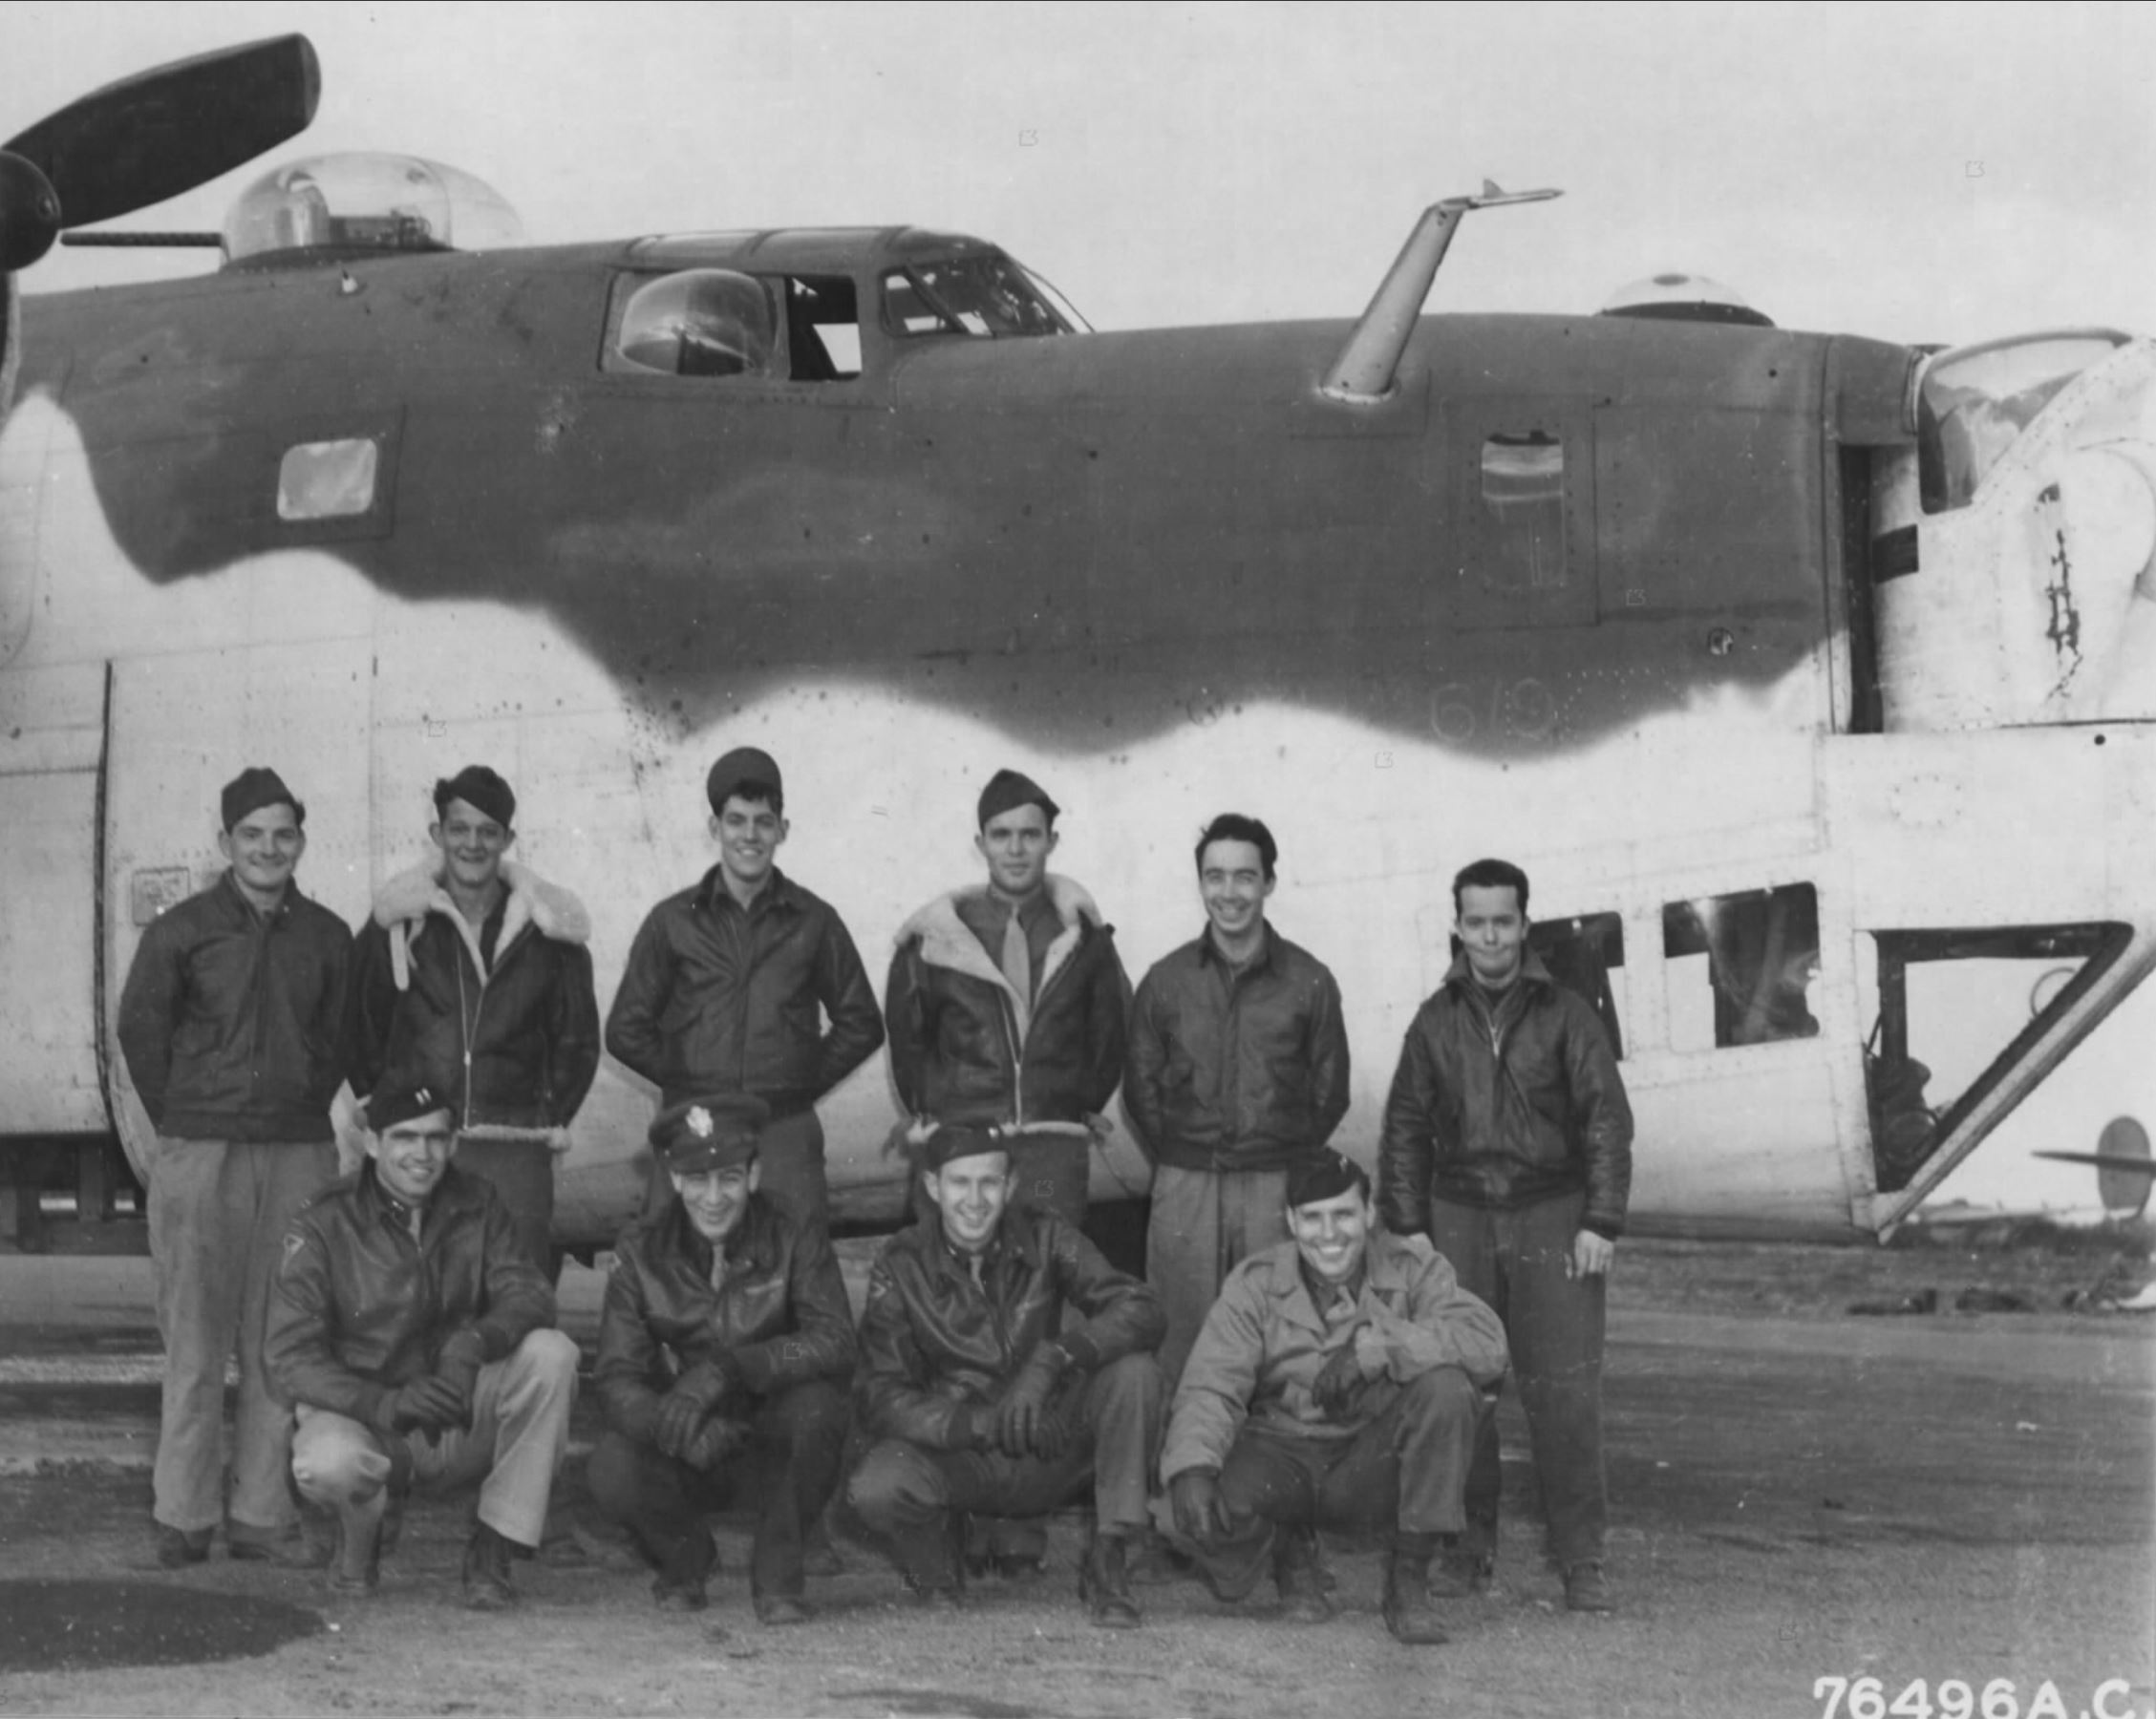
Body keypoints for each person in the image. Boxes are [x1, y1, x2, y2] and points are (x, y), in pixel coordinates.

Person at [1377, 857, 1633, 1614]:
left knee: (1563, 1396)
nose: (1489, 936)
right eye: (1475, 921)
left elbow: (1605, 1122)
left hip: (1551, 1214)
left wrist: (1600, 1219)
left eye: (1503, 921)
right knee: (1463, 1390)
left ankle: (1579, 1558)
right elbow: (1404, 1128)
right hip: (1457, 1218)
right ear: (1456, 926)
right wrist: (1410, 1229)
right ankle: (1466, 1547)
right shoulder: (1434, 1020)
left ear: (1525, 924)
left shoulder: (1566, 1014)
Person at [116, 766, 352, 1570]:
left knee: (274, 1342)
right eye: (252, 835)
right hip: (201, 1153)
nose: (268, 849)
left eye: (283, 835)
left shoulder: (325, 936)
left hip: (294, 1153)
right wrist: (187, 1120)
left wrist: (292, 1111)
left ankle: (259, 1516)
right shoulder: (181, 931)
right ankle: (180, 1517)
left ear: (301, 844)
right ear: (225, 843)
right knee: (193, 1340)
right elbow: (140, 1032)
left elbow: (341, 1040)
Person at [1159, 1151, 1507, 1645]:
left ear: (1368, 1215)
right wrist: (1193, 1465)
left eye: (1344, 1215)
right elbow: (1212, 1383)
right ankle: (1288, 1546)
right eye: (1313, 1218)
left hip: (1367, 1461)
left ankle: (1409, 1581)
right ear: (1291, 1222)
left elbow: (1488, 1344)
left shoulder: (1414, 1269)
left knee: (1446, 1390)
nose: (1329, 1234)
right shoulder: (1255, 1283)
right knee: (1179, 1513)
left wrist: (1382, 1347)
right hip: (1284, 1454)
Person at [265, 1077, 579, 1608]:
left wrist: (472, 1344)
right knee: (326, 1463)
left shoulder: (478, 1202)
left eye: (437, 1138)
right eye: (405, 1137)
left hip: (453, 1411)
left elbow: (529, 1294)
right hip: (368, 1417)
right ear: (372, 1144)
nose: (423, 1153)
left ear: (454, 1143)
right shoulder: (325, 1219)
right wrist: (382, 1403)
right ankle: (359, 1544)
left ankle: (493, 1546)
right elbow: (289, 1355)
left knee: (554, 1355)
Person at [845, 1124, 1167, 1628]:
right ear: (932, 1187)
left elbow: (1141, 1307)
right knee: (879, 1485)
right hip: (966, 1455)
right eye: (959, 1184)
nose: (975, 1200)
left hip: (1050, 1444)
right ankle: (937, 1568)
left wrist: (1056, 1357)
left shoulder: (1049, 1234)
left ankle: (1110, 1558)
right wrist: (984, 1422)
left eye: (989, 1183)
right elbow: (880, 1394)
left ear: (1011, 1185)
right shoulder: (901, 1263)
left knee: (1135, 1373)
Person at [588, 1094, 857, 1624]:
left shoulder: (792, 1230)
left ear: (754, 1175)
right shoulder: (640, 1253)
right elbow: (617, 1377)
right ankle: (686, 1561)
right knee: (611, 1468)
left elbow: (834, 1339)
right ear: (674, 1178)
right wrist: (674, 1429)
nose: (715, 1197)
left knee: (821, 1410)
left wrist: (734, 1368)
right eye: (697, 1178)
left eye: (730, 1178)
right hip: (689, 1444)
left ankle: (779, 1575)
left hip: (771, 1442)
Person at [606, 747, 885, 1234]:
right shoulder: (672, 922)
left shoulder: (814, 921)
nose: (749, 835)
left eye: (763, 821)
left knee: (798, 1267)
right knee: (674, 1271)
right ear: (715, 829)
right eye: (736, 821)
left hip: (783, 1134)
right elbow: (625, 1030)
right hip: (696, 1128)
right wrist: (691, 1082)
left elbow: (862, 1022)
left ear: (782, 829)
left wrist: (798, 1081)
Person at [1125, 813, 1351, 1383]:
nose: (1230, 893)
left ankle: (1272, 1464)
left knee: (1279, 1343)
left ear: (1269, 883)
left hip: (1275, 1185)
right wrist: (1186, 1153)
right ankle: (1181, 1467)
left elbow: (1331, 1092)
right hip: (1186, 1185)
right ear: (1200, 884)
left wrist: (1278, 1152)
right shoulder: (1165, 980)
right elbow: (1141, 1090)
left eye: (1245, 877)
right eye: (1216, 877)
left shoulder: (1310, 980)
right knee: (1181, 1343)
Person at [347, 764, 600, 1270]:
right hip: (423, 1147)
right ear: (438, 834)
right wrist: (393, 1112)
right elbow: (359, 1025)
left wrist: (542, 1116)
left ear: (508, 838)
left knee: (517, 1294)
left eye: (488, 832)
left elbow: (578, 1042)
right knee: (414, 1300)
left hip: (514, 1152)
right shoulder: (397, 927)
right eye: (459, 829)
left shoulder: (549, 935)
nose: (472, 844)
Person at [885, 767, 1128, 1228]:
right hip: (964, 1152)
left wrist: (1066, 1104)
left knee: (1046, 1263)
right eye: (1001, 835)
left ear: (1051, 841)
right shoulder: (935, 941)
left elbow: (1108, 1037)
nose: (1015, 850)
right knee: (958, 1280)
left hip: (1047, 1159)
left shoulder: (1085, 940)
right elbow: (909, 1047)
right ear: (981, 844)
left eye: (1029, 835)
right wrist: (945, 1114)